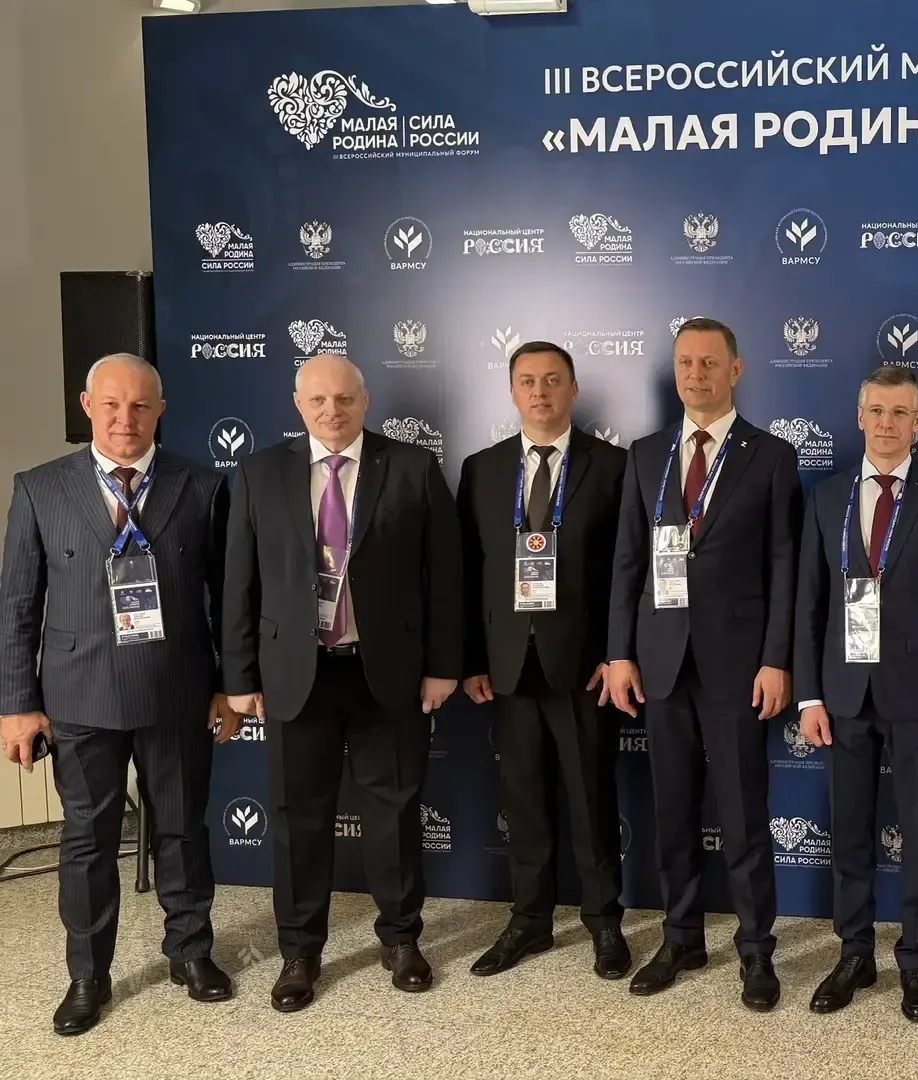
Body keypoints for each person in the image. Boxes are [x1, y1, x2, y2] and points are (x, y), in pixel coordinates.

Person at [0, 354, 241, 1036]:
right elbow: (17, 605)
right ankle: (88, 975)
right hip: (78, 698)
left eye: (139, 405)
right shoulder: (41, 489)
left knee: (183, 829)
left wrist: (229, 685)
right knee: (87, 840)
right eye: (110, 404)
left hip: (177, 692)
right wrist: (17, 704)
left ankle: (190, 952)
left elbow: (228, 599)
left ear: (160, 409)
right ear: (87, 406)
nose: (124, 418)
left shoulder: (202, 486)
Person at [223, 354, 462, 1012]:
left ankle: (401, 939)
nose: (332, 410)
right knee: (297, 819)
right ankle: (299, 952)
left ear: (365, 400)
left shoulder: (412, 467)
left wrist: (444, 664)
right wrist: (239, 676)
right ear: (298, 404)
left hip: (388, 674)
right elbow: (239, 581)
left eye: (345, 398)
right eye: (319, 399)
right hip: (296, 675)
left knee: (395, 813)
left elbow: (445, 575)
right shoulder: (260, 472)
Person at [603, 317, 800, 1011]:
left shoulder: (771, 456)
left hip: (737, 665)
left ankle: (756, 950)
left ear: (735, 370)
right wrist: (619, 652)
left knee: (743, 815)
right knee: (673, 812)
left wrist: (777, 660)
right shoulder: (646, 453)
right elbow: (628, 561)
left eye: (710, 363)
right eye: (686, 362)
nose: (696, 374)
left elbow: (785, 567)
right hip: (661, 662)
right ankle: (681, 938)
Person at [793, 364, 918, 1023]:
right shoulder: (826, 497)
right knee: (849, 832)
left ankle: (916, 961)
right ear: (859, 417)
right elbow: (808, 606)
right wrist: (808, 696)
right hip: (843, 692)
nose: (887, 423)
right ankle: (854, 954)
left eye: (901, 413)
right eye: (877, 411)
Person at [456, 342, 630, 980]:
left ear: (573, 389)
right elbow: (466, 572)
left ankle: (604, 921)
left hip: (583, 667)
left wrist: (616, 653)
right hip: (508, 665)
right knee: (523, 798)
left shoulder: (614, 466)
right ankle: (529, 920)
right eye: (527, 381)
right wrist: (471, 659)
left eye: (553, 380)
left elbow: (627, 571)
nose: (540, 392)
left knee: (590, 796)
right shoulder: (482, 469)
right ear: (511, 392)